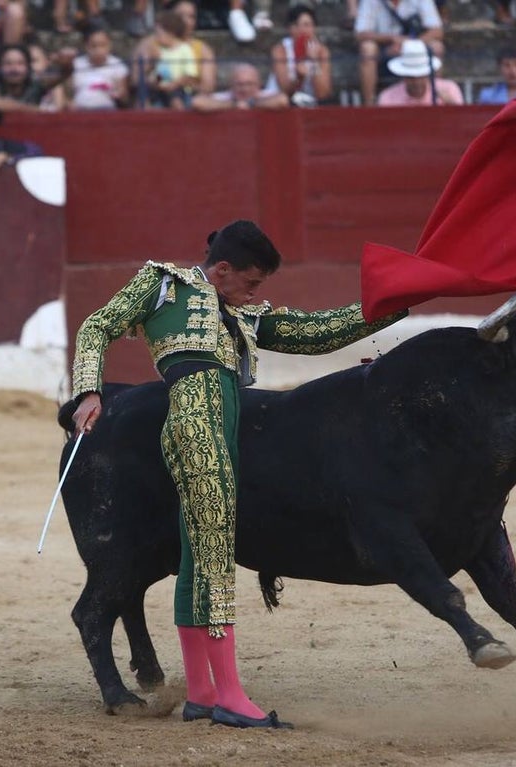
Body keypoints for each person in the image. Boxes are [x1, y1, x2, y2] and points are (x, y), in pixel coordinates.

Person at [68, 220, 407, 729]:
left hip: (226, 419)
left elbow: (315, 333)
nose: (256, 294)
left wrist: (395, 304)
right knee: (215, 548)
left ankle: (203, 693)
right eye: (251, 282)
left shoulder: (244, 313)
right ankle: (227, 695)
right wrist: (88, 390)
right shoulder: (162, 285)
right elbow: (97, 325)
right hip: (193, 415)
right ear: (222, 270)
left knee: (197, 552)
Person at [355, 0, 444, 106]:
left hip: (416, 48)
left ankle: (437, 97)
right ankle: (369, 104)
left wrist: (410, 45)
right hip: (385, 49)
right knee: (367, 49)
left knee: (437, 47)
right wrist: (392, 39)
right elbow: (360, 34)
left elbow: (437, 30)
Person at [130, 0, 217, 104]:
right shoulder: (149, 44)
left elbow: (208, 87)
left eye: (191, 17)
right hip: (154, 97)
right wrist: (157, 83)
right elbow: (136, 80)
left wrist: (177, 84)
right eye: (181, 15)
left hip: (188, 101)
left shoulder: (203, 49)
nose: (185, 21)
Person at [268, 4, 333, 105]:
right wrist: (299, 78)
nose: (308, 30)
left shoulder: (321, 51)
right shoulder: (280, 50)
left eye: (311, 25)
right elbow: (285, 91)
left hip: (311, 104)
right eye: (304, 25)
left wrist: (314, 62)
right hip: (281, 104)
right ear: (292, 28)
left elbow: (323, 93)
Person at [376, 37, 463, 105]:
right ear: (403, 76)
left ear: (428, 74)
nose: (416, 82)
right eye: (411, 77)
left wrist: (451, 104)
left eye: (421, 76)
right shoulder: (388, 97)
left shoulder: (449, 89)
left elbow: (462, 121)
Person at [0, 42, 55, 111]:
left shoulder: (35, 85)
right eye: (8, 63)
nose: (14, 69)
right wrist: (36, 110)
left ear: (28, 67)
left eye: (20, 63)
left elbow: (61, 75)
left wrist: (65, 63)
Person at [68, 24, 129, 110]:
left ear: (109, 45)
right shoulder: (76, 64)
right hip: (79, 110)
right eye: (94, 46)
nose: (98, 50)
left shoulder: (118, 65)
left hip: (107, 111)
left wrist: (119, 94)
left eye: (102, 45)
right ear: (86, 46)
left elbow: (124, 97)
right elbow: (68, 94)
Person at [149, 9, 198, 109]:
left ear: (170, 33)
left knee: (175, 98)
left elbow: (190, 74)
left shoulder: (185, 49)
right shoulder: (160, 51)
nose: (156, 38)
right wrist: (156, 81)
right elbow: (160, 72)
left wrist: (173, 84)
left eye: (159, 34)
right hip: (162, 90)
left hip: (180, 89)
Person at [191, 62, 288, 111]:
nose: (244, 89)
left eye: (249, 84)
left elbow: (282, 100)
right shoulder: (226, 97)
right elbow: (197, 102)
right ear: (231, 85)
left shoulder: (264, 96)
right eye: (239, 84)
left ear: (258, 84)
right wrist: (233, 105)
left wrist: (252, 104)